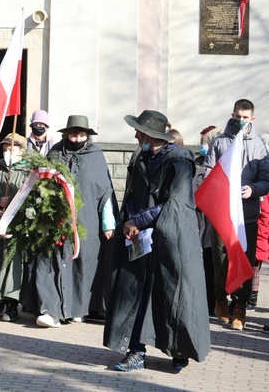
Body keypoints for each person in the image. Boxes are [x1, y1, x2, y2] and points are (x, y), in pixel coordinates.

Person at [104, 109, 210, 372]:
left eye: (139, 131)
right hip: (140, 238)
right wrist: (129, 221)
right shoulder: (141, 157)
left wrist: (137, 221)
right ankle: (136, 351)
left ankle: (179, 350)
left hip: (171, 238)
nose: (135, 134)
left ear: (151, 134)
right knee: (136, 293)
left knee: (173, 294)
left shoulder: (180, 161)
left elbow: (173, 204)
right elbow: (130, 194)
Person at [22, 116, 117, 328]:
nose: (77, 138)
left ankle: (79, 309)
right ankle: (51, 309)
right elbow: (41, 182)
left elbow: (106, 190)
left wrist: (108, 222)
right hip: (56, 220)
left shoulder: (96, 156)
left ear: (88, 136)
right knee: (51, 261)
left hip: (87, 219)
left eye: (81, 134)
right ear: (66, 134)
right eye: (73, 134)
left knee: (83, 263)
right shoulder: (55, 152)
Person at [204, 99, 269, 330]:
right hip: (223, 213)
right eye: (238, 116)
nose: (241, 120)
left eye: (245, 117)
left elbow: (266, 180)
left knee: (245, 261)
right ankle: (221, 300)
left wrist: (254, 189)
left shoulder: (259, 146)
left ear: (252, 118)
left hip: (248, 215)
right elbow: (208, 173)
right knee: (220, 260)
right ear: (232, 114)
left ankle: (240, 307)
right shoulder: (220, 143)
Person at [0, 133, 31, 323]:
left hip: (17, 227)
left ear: (22, 150)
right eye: (5, 149)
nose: (8, 152)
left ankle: (11, 303)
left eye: (12, 149)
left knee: (12, 263)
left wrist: (14, 210)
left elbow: (32, 199)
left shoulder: (28, 173)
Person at [194, 124, 221, 316]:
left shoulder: (218, 163)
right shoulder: (197, 161)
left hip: (214, 221)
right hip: (201, 220)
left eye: (204, 142)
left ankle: (214, 302)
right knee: (205, 265)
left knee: (214, 264)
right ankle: (206, 301)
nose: (201, 145)